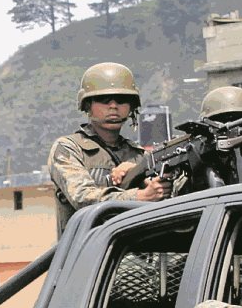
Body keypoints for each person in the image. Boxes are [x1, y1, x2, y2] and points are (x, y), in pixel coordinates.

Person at [48, 62, 170, 235]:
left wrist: (142, 174)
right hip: (87, 252)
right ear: (88, 105)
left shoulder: (140, 156)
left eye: (121, 100)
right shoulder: (69, 148)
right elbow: (83, 197)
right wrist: (139, 196)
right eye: (104, 100)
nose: (113, 106)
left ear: (131, 107)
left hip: (137, 256)